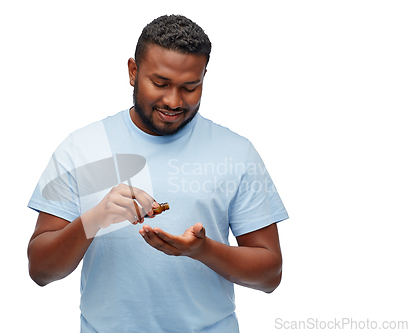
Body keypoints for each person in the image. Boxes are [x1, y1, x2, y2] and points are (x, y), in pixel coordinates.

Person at [27, 14, 288, 333]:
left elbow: (270, 276)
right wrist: (94, 219)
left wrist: (203, 250)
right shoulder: (81, 148)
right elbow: (40, 271)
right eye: (160, 83)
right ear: (133, 72)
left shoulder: (236, 152)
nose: (173, 101)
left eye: (190, 87)